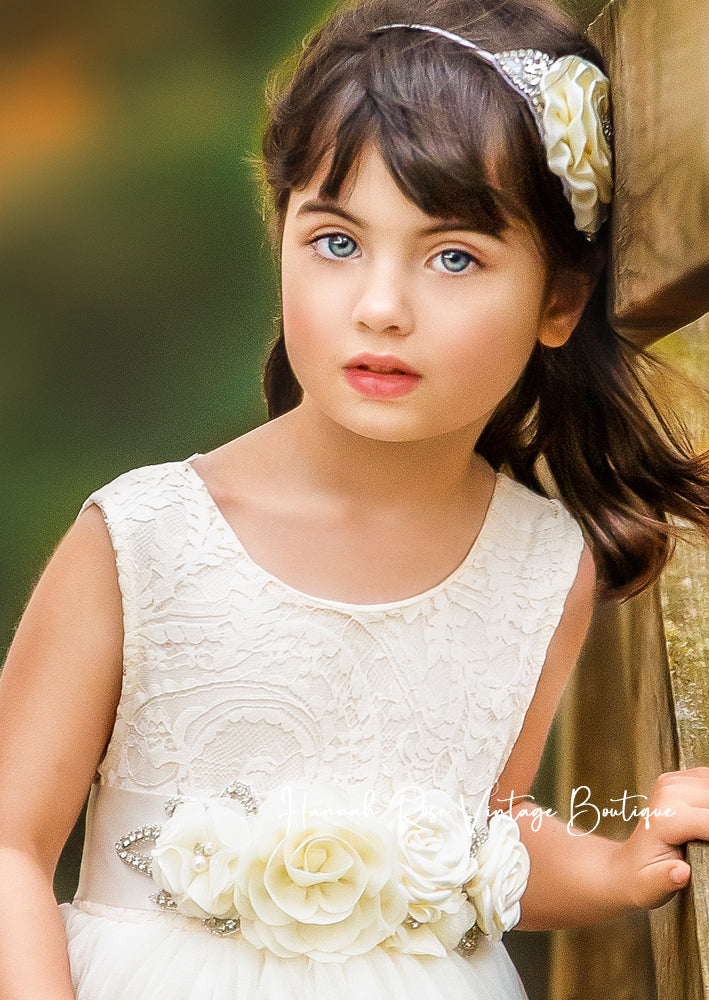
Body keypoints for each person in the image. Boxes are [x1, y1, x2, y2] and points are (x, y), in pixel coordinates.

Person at [1, 0, 709, 997]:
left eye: (453, 256)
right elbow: (10, 844)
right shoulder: (144, 538)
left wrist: (617, 868)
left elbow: (476, 835)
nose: (381, 305)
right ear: (282, 235)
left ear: (557, 301)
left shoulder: (544, 562)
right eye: (337, 241)